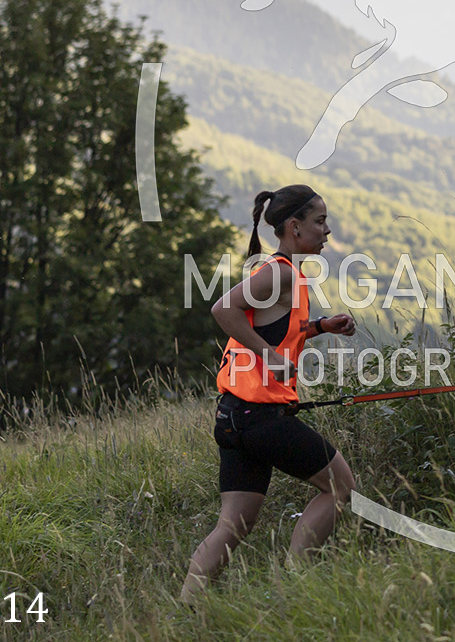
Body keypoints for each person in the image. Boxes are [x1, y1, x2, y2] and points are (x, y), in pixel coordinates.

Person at [180, 184, 357, 602]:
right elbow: (223, 309)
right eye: (320, 221)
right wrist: (270, 357)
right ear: (294, 227)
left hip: (234, 417)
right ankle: (296, 586)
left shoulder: (287, 273)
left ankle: (185, 610)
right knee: (340, 487)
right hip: (261, 418)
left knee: (233, 526)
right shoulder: (280, 272)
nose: (327, 230)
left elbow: (274, 330)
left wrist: (319, 327)